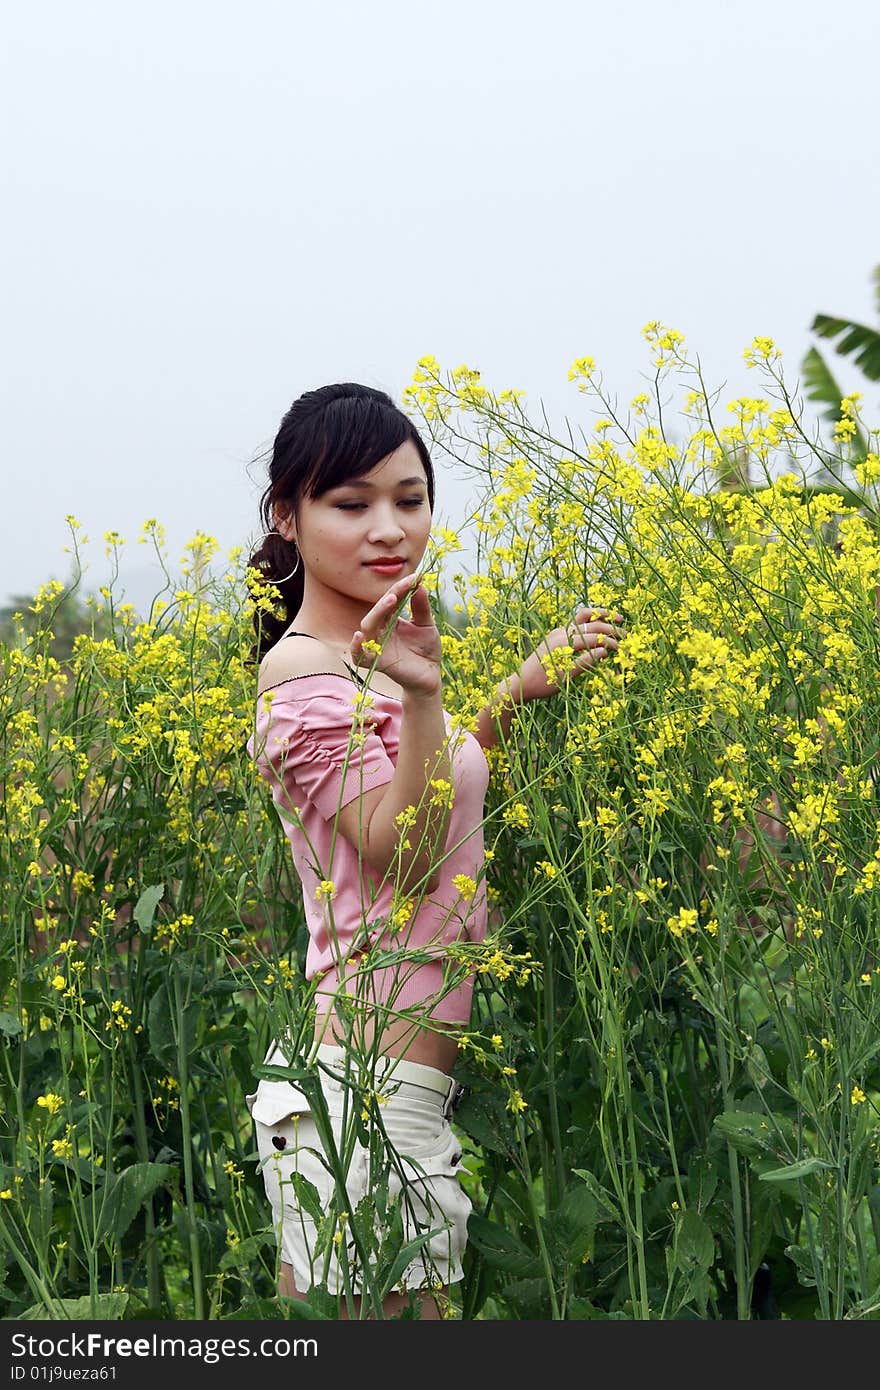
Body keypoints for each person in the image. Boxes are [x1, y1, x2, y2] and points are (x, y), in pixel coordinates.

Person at [243, 382, 624, 1319]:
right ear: (287, 519)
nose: (389, 528)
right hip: (364, 1100)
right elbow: (400, 855)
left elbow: (426, 793)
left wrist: (505, 695)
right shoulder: (303, 673)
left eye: (410, 500)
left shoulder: (360, 658)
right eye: (351, 502)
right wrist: (423, 692)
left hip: (376, 1087)